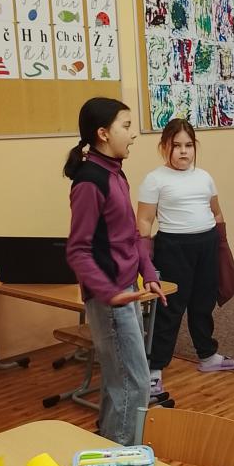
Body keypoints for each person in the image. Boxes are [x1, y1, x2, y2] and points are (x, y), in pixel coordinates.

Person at [65, 97, 166, 446]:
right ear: (103, 133)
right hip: (111, 296)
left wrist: (148, 272)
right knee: (134, 384)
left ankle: (108, 447)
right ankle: (121, 458)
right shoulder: (89, 182)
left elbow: (132, 233)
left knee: (120, 381)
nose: (133, 134)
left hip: (125, 289)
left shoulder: (115, 172)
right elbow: (77, 250)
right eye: (126, 126)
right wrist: (109, 294)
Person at [136, 119, 234, 396]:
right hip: (173, 247)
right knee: (170, 308)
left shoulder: (204, 177)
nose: (184, 151)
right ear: (164, 147)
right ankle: (155, 369)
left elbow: (216, 212)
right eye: (177, 146)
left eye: (189, 145)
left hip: (206, 243)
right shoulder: (155, 179)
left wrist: (222, 244)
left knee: (203, 302)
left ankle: (207, 355)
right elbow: (144, 221)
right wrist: (145, 260)